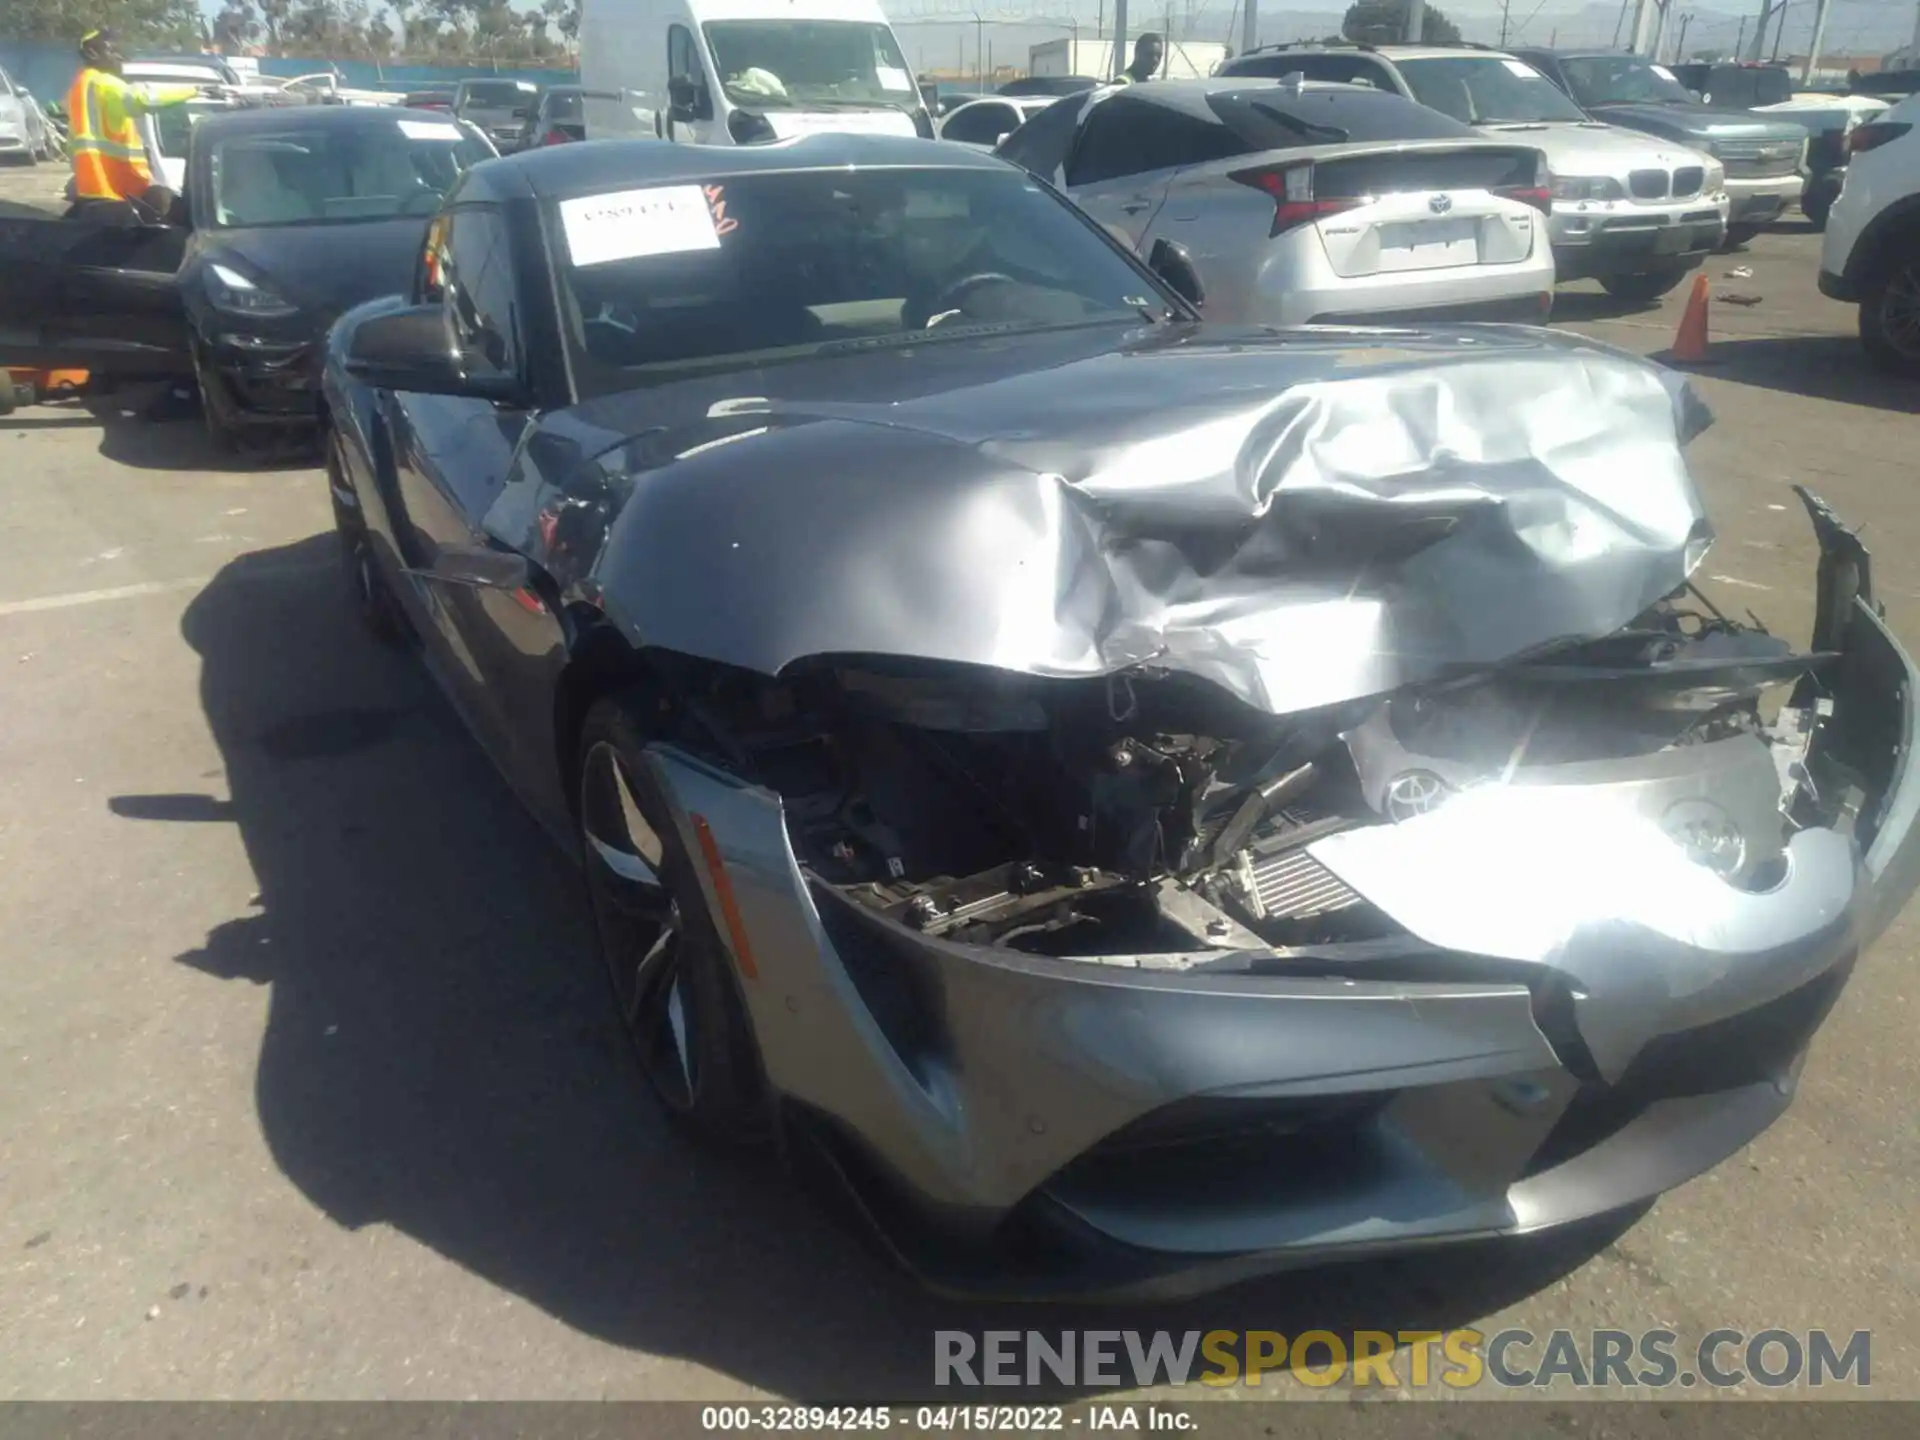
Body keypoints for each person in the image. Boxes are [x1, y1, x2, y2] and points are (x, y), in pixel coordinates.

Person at [66, 27, 210, 420]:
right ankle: (127, 368)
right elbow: (142, 99)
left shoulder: (88, 86)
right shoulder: (101, 84)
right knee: (135, 283)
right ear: (93, 51)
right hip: (108, 196)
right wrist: (195, 90)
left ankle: (111, 370)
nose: (120, 53)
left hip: (112, 193)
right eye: (112, 47)